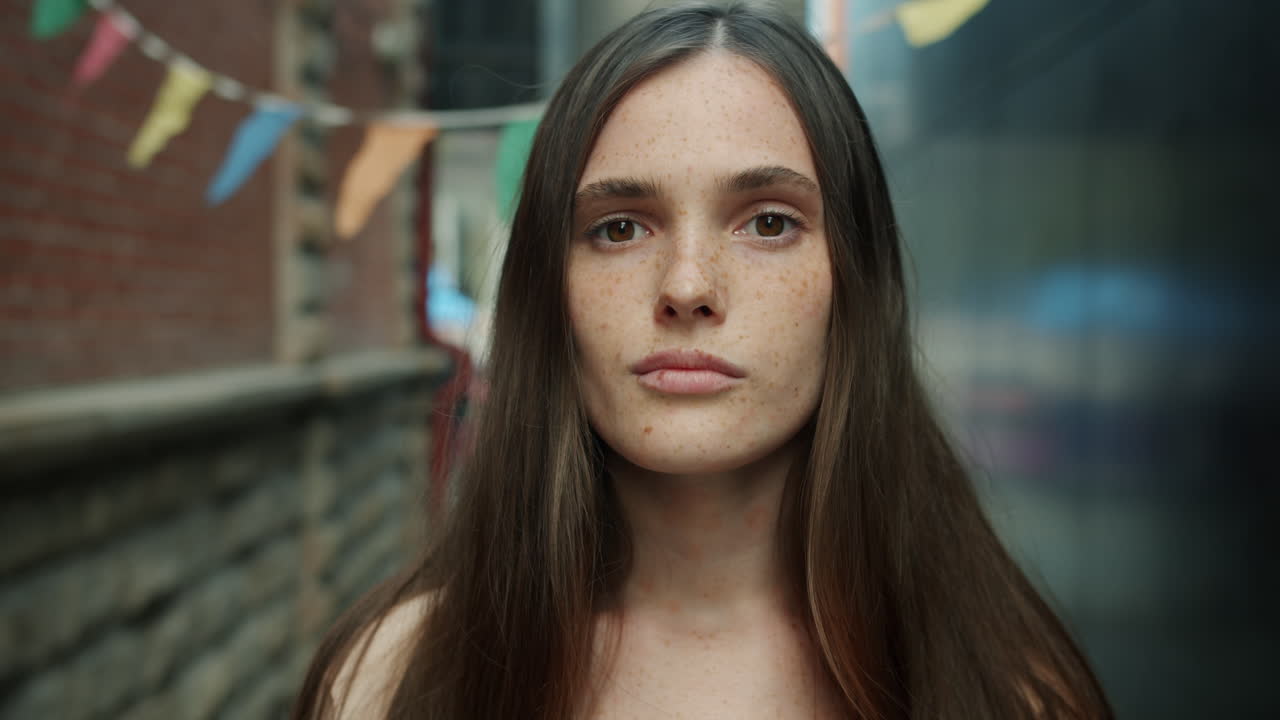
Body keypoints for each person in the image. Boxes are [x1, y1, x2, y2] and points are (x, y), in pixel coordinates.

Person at [291, 3, 1112, 718]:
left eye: (767, 223)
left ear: (853, 283)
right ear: (551, 295)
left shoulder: (1009, 693)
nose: (687, 286)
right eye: (619, 227)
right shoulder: (390, 679)